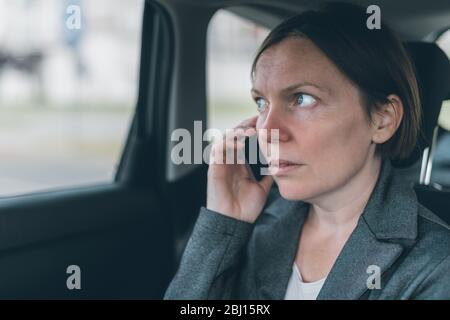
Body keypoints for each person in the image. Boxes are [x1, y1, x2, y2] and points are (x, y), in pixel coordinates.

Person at [164, 2, 450, 299]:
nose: (268, 131)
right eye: (261, 103)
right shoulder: (258, 227)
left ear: (383, 119)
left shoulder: (434, 264)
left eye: (302, 99)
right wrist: (224, 222)